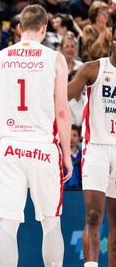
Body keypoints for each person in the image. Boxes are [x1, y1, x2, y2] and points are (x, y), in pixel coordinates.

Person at [0, 4, 72, 267]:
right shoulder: (55, 58)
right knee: (51, 222)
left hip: (8, 146)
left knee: (7, 226)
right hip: (43, 146)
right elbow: (62, 112)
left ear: (19, 28)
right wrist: (66, 154)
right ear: (44, 29)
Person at [67, 26, 116, 267]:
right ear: (113, 39)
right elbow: (64, 95)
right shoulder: (94, 69)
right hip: (96, 148)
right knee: (93, 215)